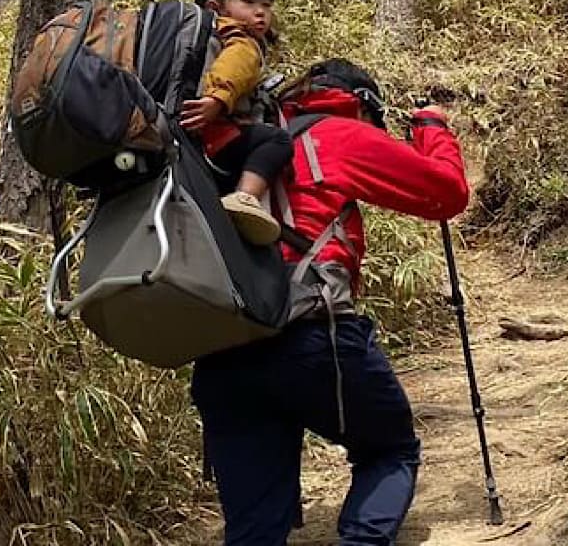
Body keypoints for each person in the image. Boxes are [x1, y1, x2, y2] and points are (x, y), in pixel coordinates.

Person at [191, 58, 469, 545]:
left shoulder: (233, 140)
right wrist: (431, 127)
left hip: (222, 349)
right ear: (362, 103)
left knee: (254, 528)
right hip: (312, 338)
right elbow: (444, 194)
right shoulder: (337, 133)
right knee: (388, 450)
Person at [181, 0, 291, 245]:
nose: (261, 13)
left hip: (190, 137)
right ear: (215, 7)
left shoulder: (204, 36)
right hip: (216, 132)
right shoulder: (242, 41)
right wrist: (216, 100)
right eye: (249, 2)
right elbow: (233, 68)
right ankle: (245, 198)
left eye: (267, 5)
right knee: (278, 141)